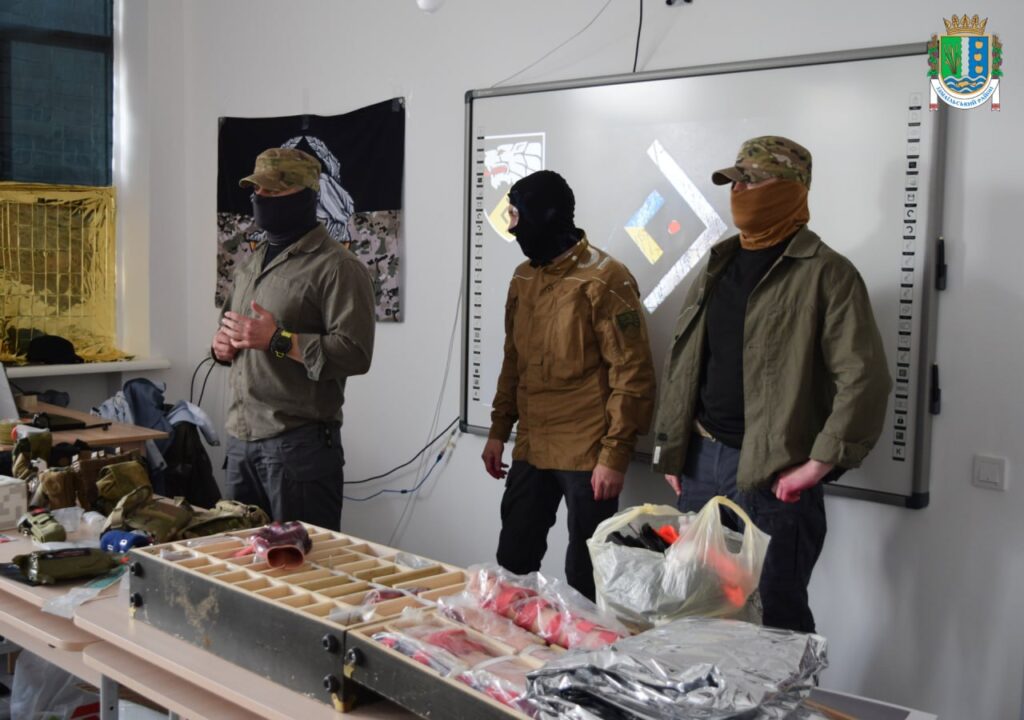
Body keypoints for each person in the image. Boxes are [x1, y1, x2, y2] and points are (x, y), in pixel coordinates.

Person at [652, 136, 892, 632]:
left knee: (775, 617)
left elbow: (864, 379)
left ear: (791, 189)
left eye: (752, 180)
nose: (738, 191)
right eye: (734, 181)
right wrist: (674, 450)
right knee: (698, 609)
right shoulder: (717, 264)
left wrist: (818, 464)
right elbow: (688, 361)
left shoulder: (829, 274)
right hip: (701, 463)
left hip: (772, 473)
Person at [482, 170, 656, 601]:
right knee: (513, 561)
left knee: (587, 575)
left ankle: (583, 645)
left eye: (516, 215)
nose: (512, 227)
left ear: (544, 215)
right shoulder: (524, 278)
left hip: (587, 452)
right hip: (533, 445)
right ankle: (512, 639)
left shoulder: (605, 278)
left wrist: (614, 455)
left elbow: (632, 373)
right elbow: (513, 361)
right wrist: (498, 430)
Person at [212, 147, 375, 531]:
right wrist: (222, 347)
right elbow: (234, 330)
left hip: (298, 447)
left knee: (300, 561)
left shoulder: (338, 266)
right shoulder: (252, 262)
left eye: (273, 191)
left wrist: (279, 340)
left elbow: (355, 353)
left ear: (306, 195)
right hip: (240, 439)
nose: (260, 199)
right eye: (257, 190)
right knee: (240, 560)